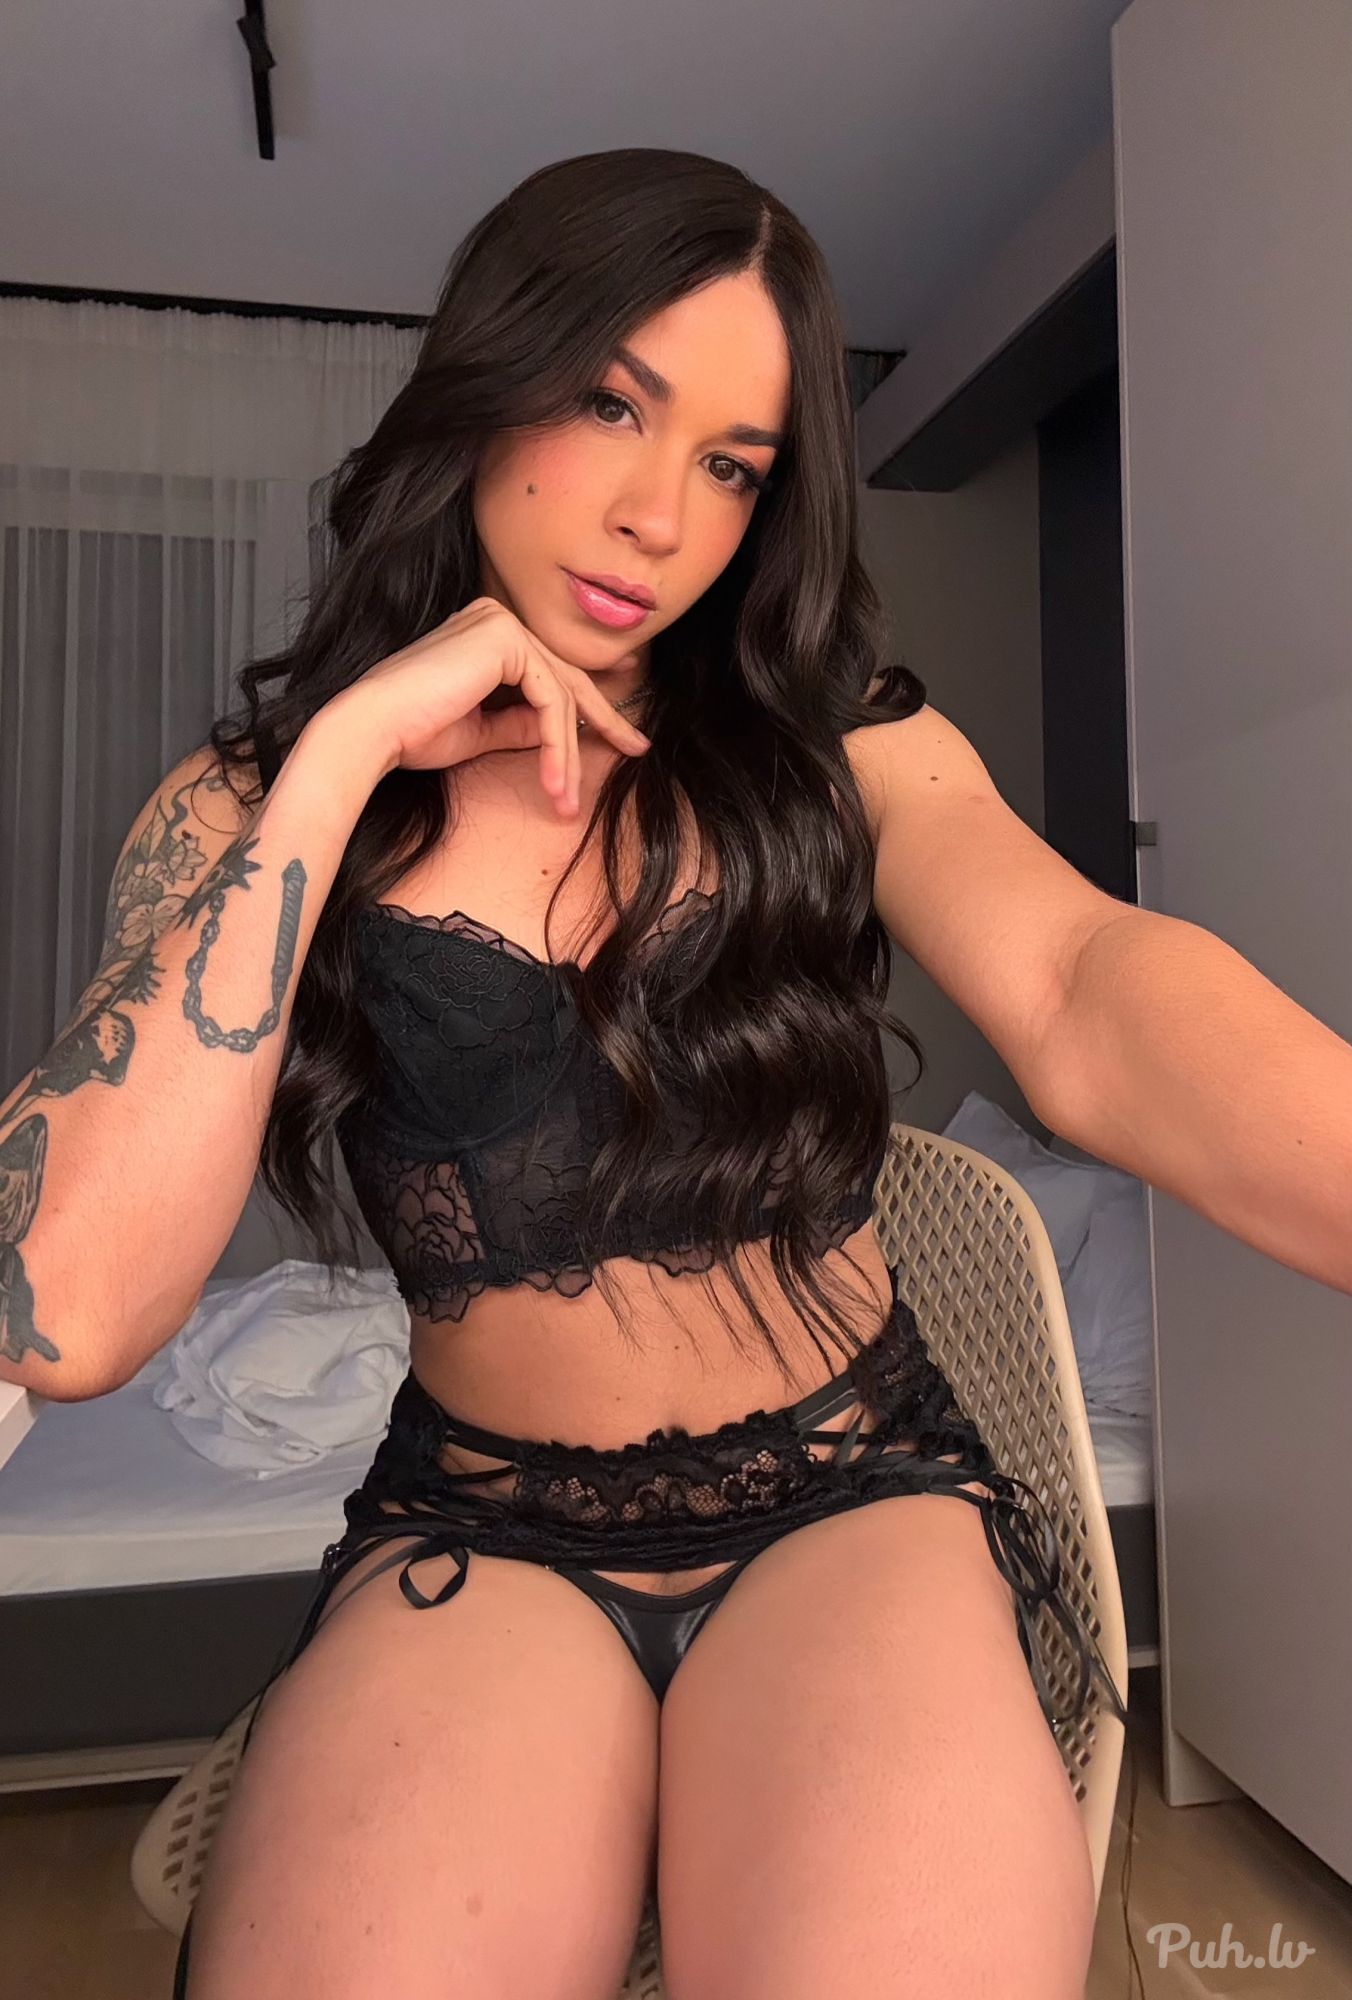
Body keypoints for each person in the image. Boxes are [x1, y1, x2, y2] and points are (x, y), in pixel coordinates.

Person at [5, 148, 1144, 1995]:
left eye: (731, 465)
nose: (654, 518)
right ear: (491, 378)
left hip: (847, 1491)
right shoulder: (245, 810)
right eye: (611, 404)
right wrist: (340, 763)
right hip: (485, 1523)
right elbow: (60, 1311)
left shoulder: (828, 744)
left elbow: (1084, 979)